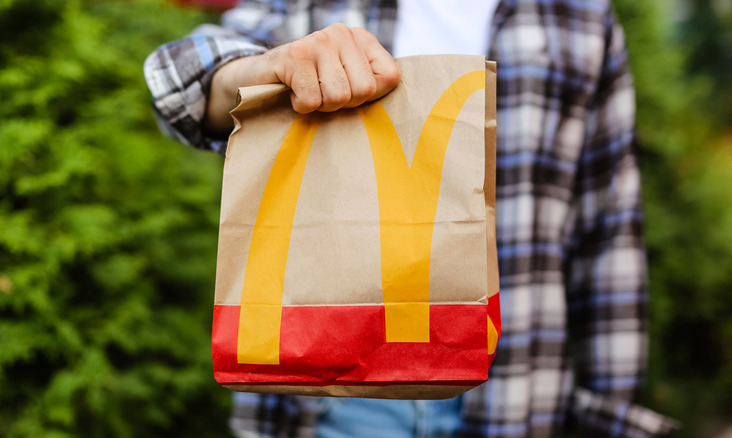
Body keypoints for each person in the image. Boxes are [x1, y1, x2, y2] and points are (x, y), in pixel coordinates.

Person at [144, 1, 677, 436]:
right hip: (332, 394)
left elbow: (607, 232)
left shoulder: (581, 16)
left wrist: (614, 414)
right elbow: (178, 75)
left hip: (518, 392)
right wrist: (260, 69)